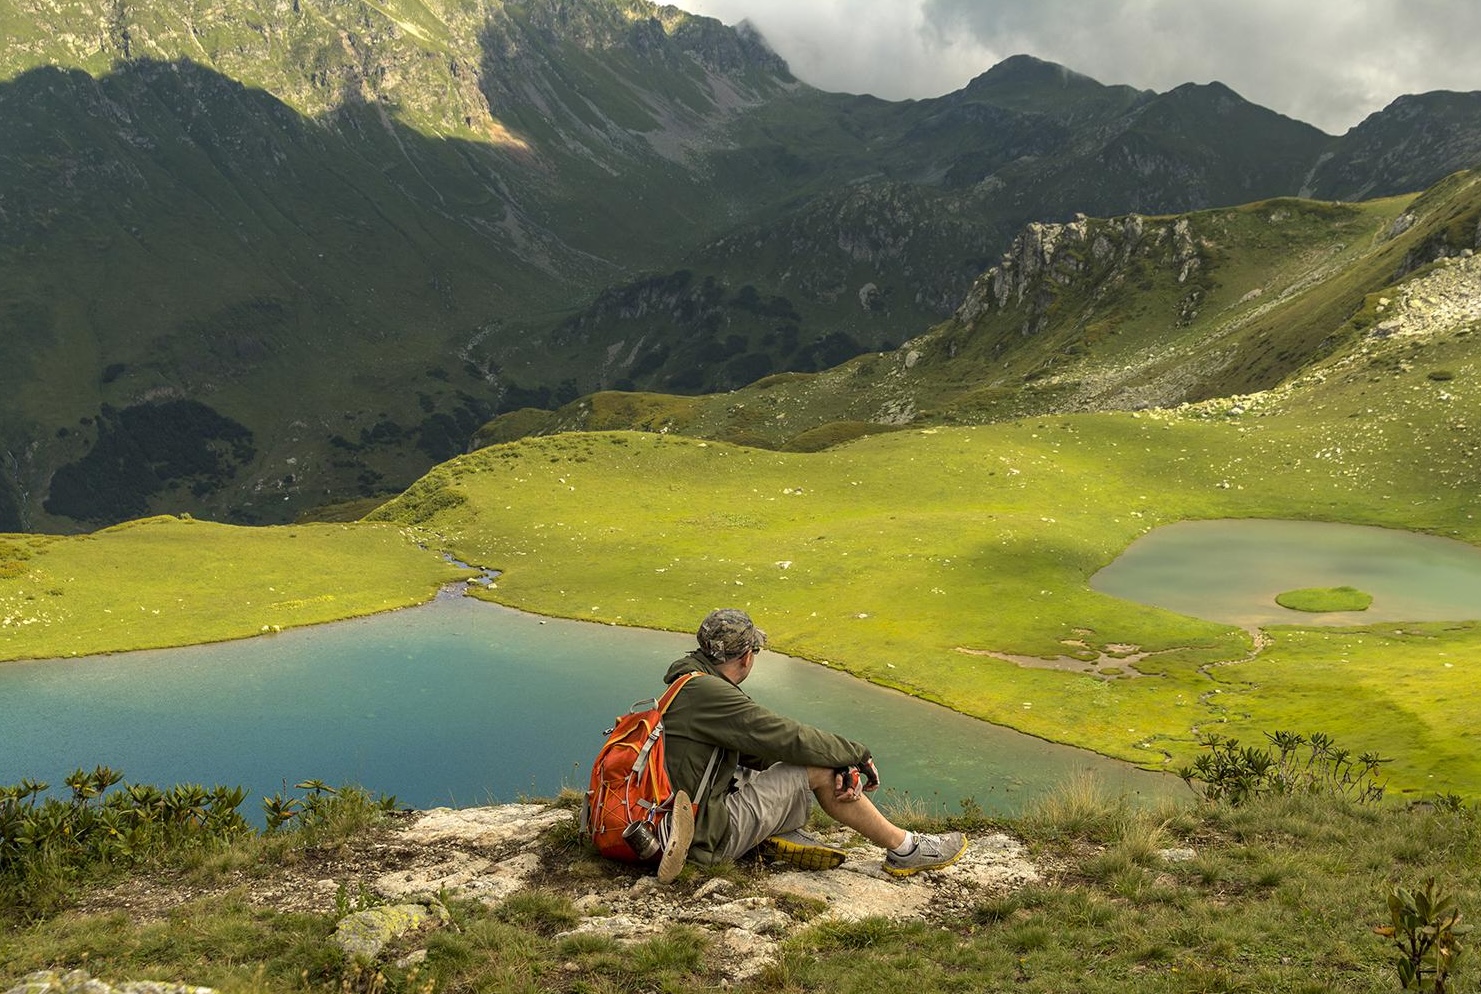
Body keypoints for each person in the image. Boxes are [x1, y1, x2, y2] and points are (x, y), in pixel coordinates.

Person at [656, 607, 967, 881]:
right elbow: (787, 736)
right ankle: (906, 848)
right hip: (705, 839)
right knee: (819, 770)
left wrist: (836, 761)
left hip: (677, 824)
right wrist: (856, 755)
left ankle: (769, 832)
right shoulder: (709, 693)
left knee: (789, 764)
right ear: (747, 656)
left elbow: (761, 751)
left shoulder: (686, 682)